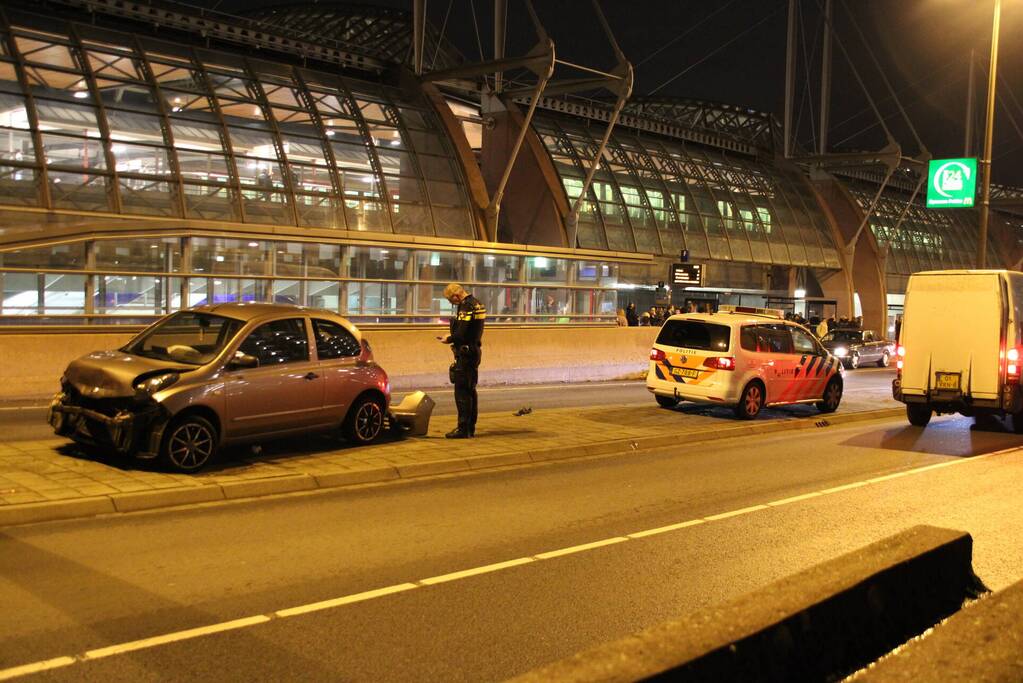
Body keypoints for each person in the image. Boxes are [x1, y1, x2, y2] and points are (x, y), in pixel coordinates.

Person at [440, 283, 485, 439]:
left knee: (462, 392)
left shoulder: (466, 307)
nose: (452, 304)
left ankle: (463, 429)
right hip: (474, 351)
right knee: (471, 390)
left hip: (465, 353)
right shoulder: (478, 304)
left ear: (456, 296)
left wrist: (449, 338)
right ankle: (470, 428)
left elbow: (462, 334)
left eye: (451, 301)